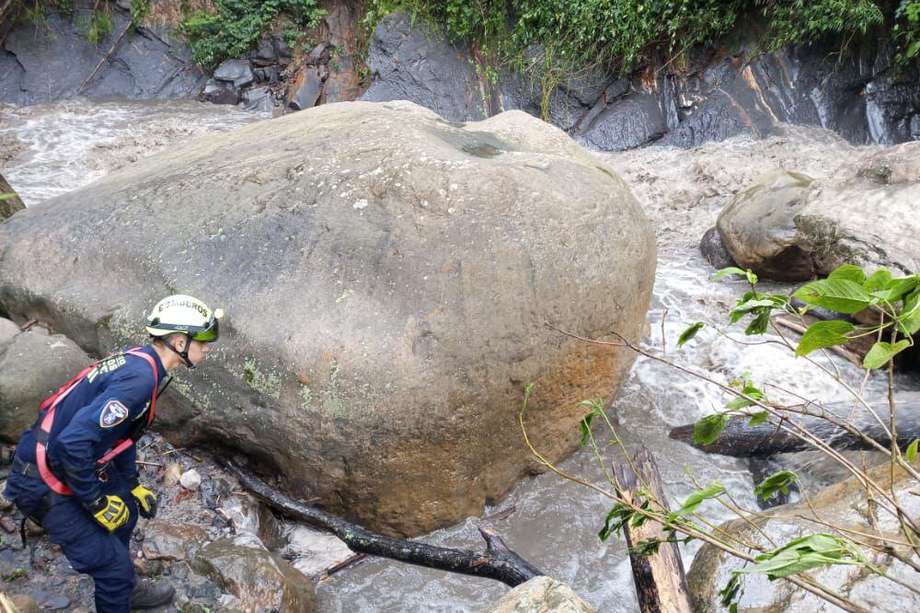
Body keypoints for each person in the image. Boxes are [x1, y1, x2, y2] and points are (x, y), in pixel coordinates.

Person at [3, 294, 223, 612]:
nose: (207, 348)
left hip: (60, 459)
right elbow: (73, 444)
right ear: (178, 342)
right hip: (40, 478)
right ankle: (118, 586)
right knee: (112, 570)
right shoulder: (139, 381)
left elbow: (120, 435)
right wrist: (96, 503)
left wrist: (131, 483)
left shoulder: (142, 361)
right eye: (203, 341)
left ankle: (125, 593)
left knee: (126, 512)